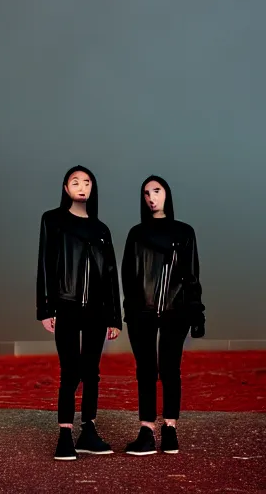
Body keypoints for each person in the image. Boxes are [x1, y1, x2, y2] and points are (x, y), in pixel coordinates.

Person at [36, 165, 122, 461]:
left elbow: (111, 275)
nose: (82, 187)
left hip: (98, 311)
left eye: (87, 182)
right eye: (76, 182)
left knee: (92, 373)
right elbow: (44, 266)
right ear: (65, 188)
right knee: (69, 372)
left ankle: (88, 431)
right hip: (67, 307)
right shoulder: (53, 220)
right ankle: (64, 435)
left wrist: (115, 316)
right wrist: (45, 308)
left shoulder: (101, 229)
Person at [121, 175, 205, 455]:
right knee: (145, 371)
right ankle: (147, 430)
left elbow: (192, 275)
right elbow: (128, 275)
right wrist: (130, 310)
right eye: (146, 193)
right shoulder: (137, 233)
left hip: (175, 311)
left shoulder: (184, 232)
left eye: (156, 191)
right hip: (142, 313)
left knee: (170, 370)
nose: (151, 197)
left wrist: (196, 312)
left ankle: (170, 429)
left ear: (167, 194)